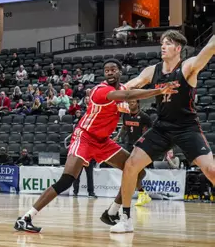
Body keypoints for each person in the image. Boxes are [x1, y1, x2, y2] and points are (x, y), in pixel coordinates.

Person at [14, 59, 178, 233]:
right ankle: (26, 218)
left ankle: (112, 211)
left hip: (103, 141)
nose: (109, 72)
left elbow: (132, 93)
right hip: (84, 137)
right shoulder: (100, 90)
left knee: (137, 170)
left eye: (113, 69)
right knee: (66, 180)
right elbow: (129, 96)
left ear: (119, 72)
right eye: (106, 70)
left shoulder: (121, 89)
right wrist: (159, 90)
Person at [110, 31, 215, 233]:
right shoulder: (153, 70)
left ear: (178, 49)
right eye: (162, 43)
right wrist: (112, 94)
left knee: (211, 170)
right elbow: (133, 84)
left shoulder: (188, 67)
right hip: (162, 127)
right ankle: (125, 218)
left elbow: (209, 49)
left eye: (168, 43)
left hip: (187, 127)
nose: (163, 46)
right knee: (131, 164)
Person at [112, 99, 153, 207]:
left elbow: (151, 131)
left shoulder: (144, 117)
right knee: (132, 171)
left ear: (138, 104)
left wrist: (146, 141)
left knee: (135, 171)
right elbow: (124, 128)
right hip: (129, 145)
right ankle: (142, 193)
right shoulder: (126, 115)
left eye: (133, 102)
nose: (131, 104)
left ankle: (140, 193)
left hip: (140, 146)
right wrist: (118, 137)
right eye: (129, 102)